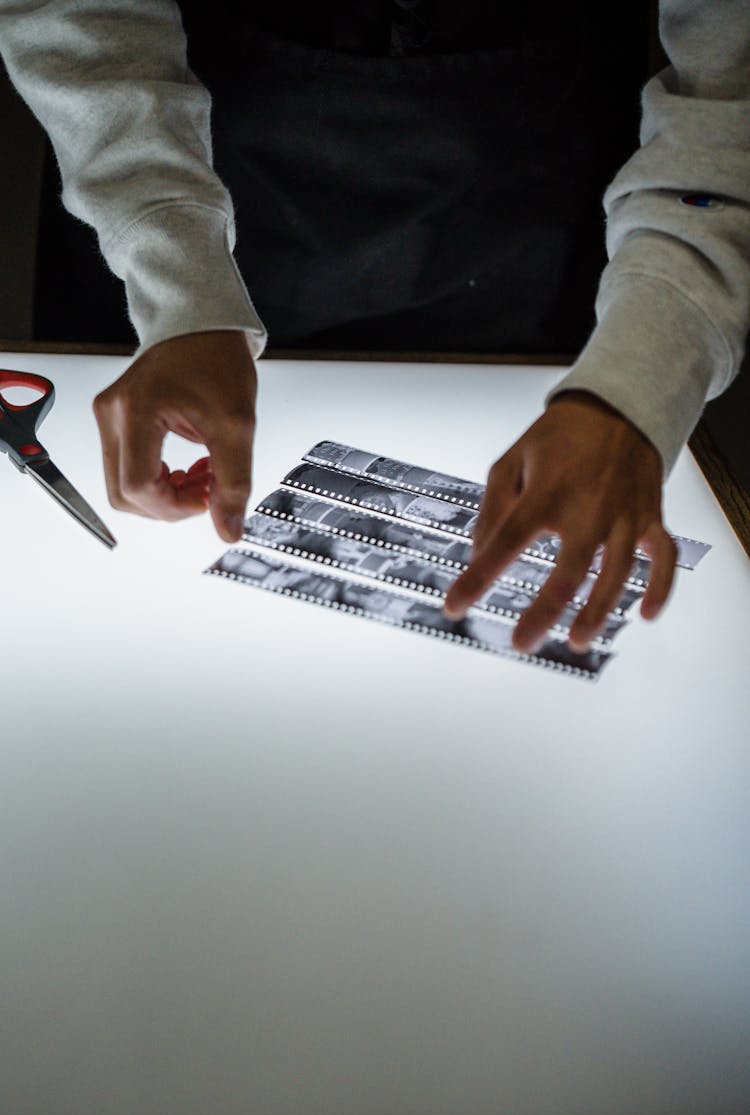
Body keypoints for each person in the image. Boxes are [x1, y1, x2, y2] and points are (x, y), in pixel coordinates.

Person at [1, 1, 747, 657]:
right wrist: (177, 278)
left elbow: (734, 96)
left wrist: (638, 383)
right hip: (176, 159)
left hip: (534, 203)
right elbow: (77, 12)